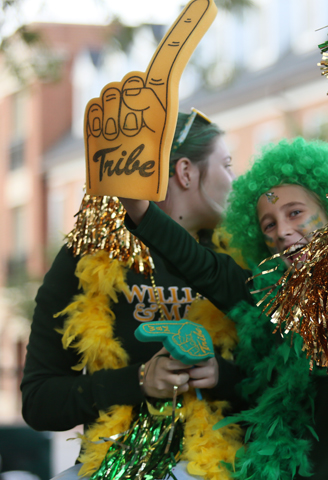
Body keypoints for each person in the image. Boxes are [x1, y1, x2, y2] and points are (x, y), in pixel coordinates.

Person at [120, 134, 328, 479]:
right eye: (269, 225)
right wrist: (138, 207)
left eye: (295, 213)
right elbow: (199, 264)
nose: (282, 231)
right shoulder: (267, 297)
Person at [21, 110, 244, 480]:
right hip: (114, 466)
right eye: (227, 165)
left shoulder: (242, 262)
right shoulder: (87, 258)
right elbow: (38, 401)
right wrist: (139, 381)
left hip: (224, 467)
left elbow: (279, 385)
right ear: (186, 172)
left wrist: (220, 375)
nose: (234, 181)